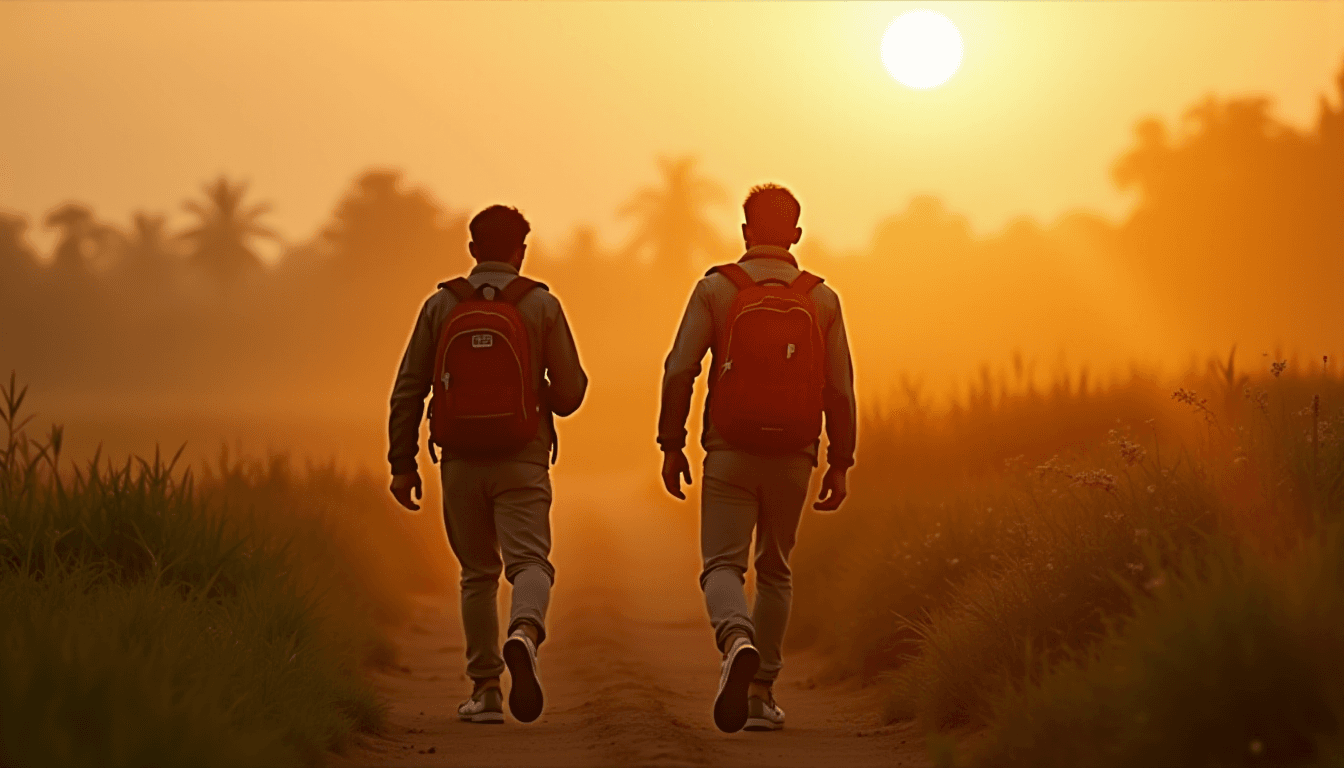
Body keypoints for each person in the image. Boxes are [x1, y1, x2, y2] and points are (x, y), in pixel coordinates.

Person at [657, 184, 856, 733]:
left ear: (745, 232)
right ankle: (761, 693)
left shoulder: (717, 289)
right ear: (796, 234)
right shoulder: (822, 299)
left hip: (730, 448)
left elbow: (679, 369)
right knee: (776, 568)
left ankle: (735, 638)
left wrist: (670, 443)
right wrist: (841, 460)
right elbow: (839, 390)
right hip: (794, 449)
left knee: (723, 564)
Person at [388, 204, 587, 725]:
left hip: (459, 461)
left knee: (477, 573)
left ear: (473, 249)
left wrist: (402, 463)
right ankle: (523, 631)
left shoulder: (440, 305)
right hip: (522, 458)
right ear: (522, 250)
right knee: (530, 564)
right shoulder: (540, 305)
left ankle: (485, 691)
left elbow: (409, 388)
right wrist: (536, 389)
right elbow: (570, 395)